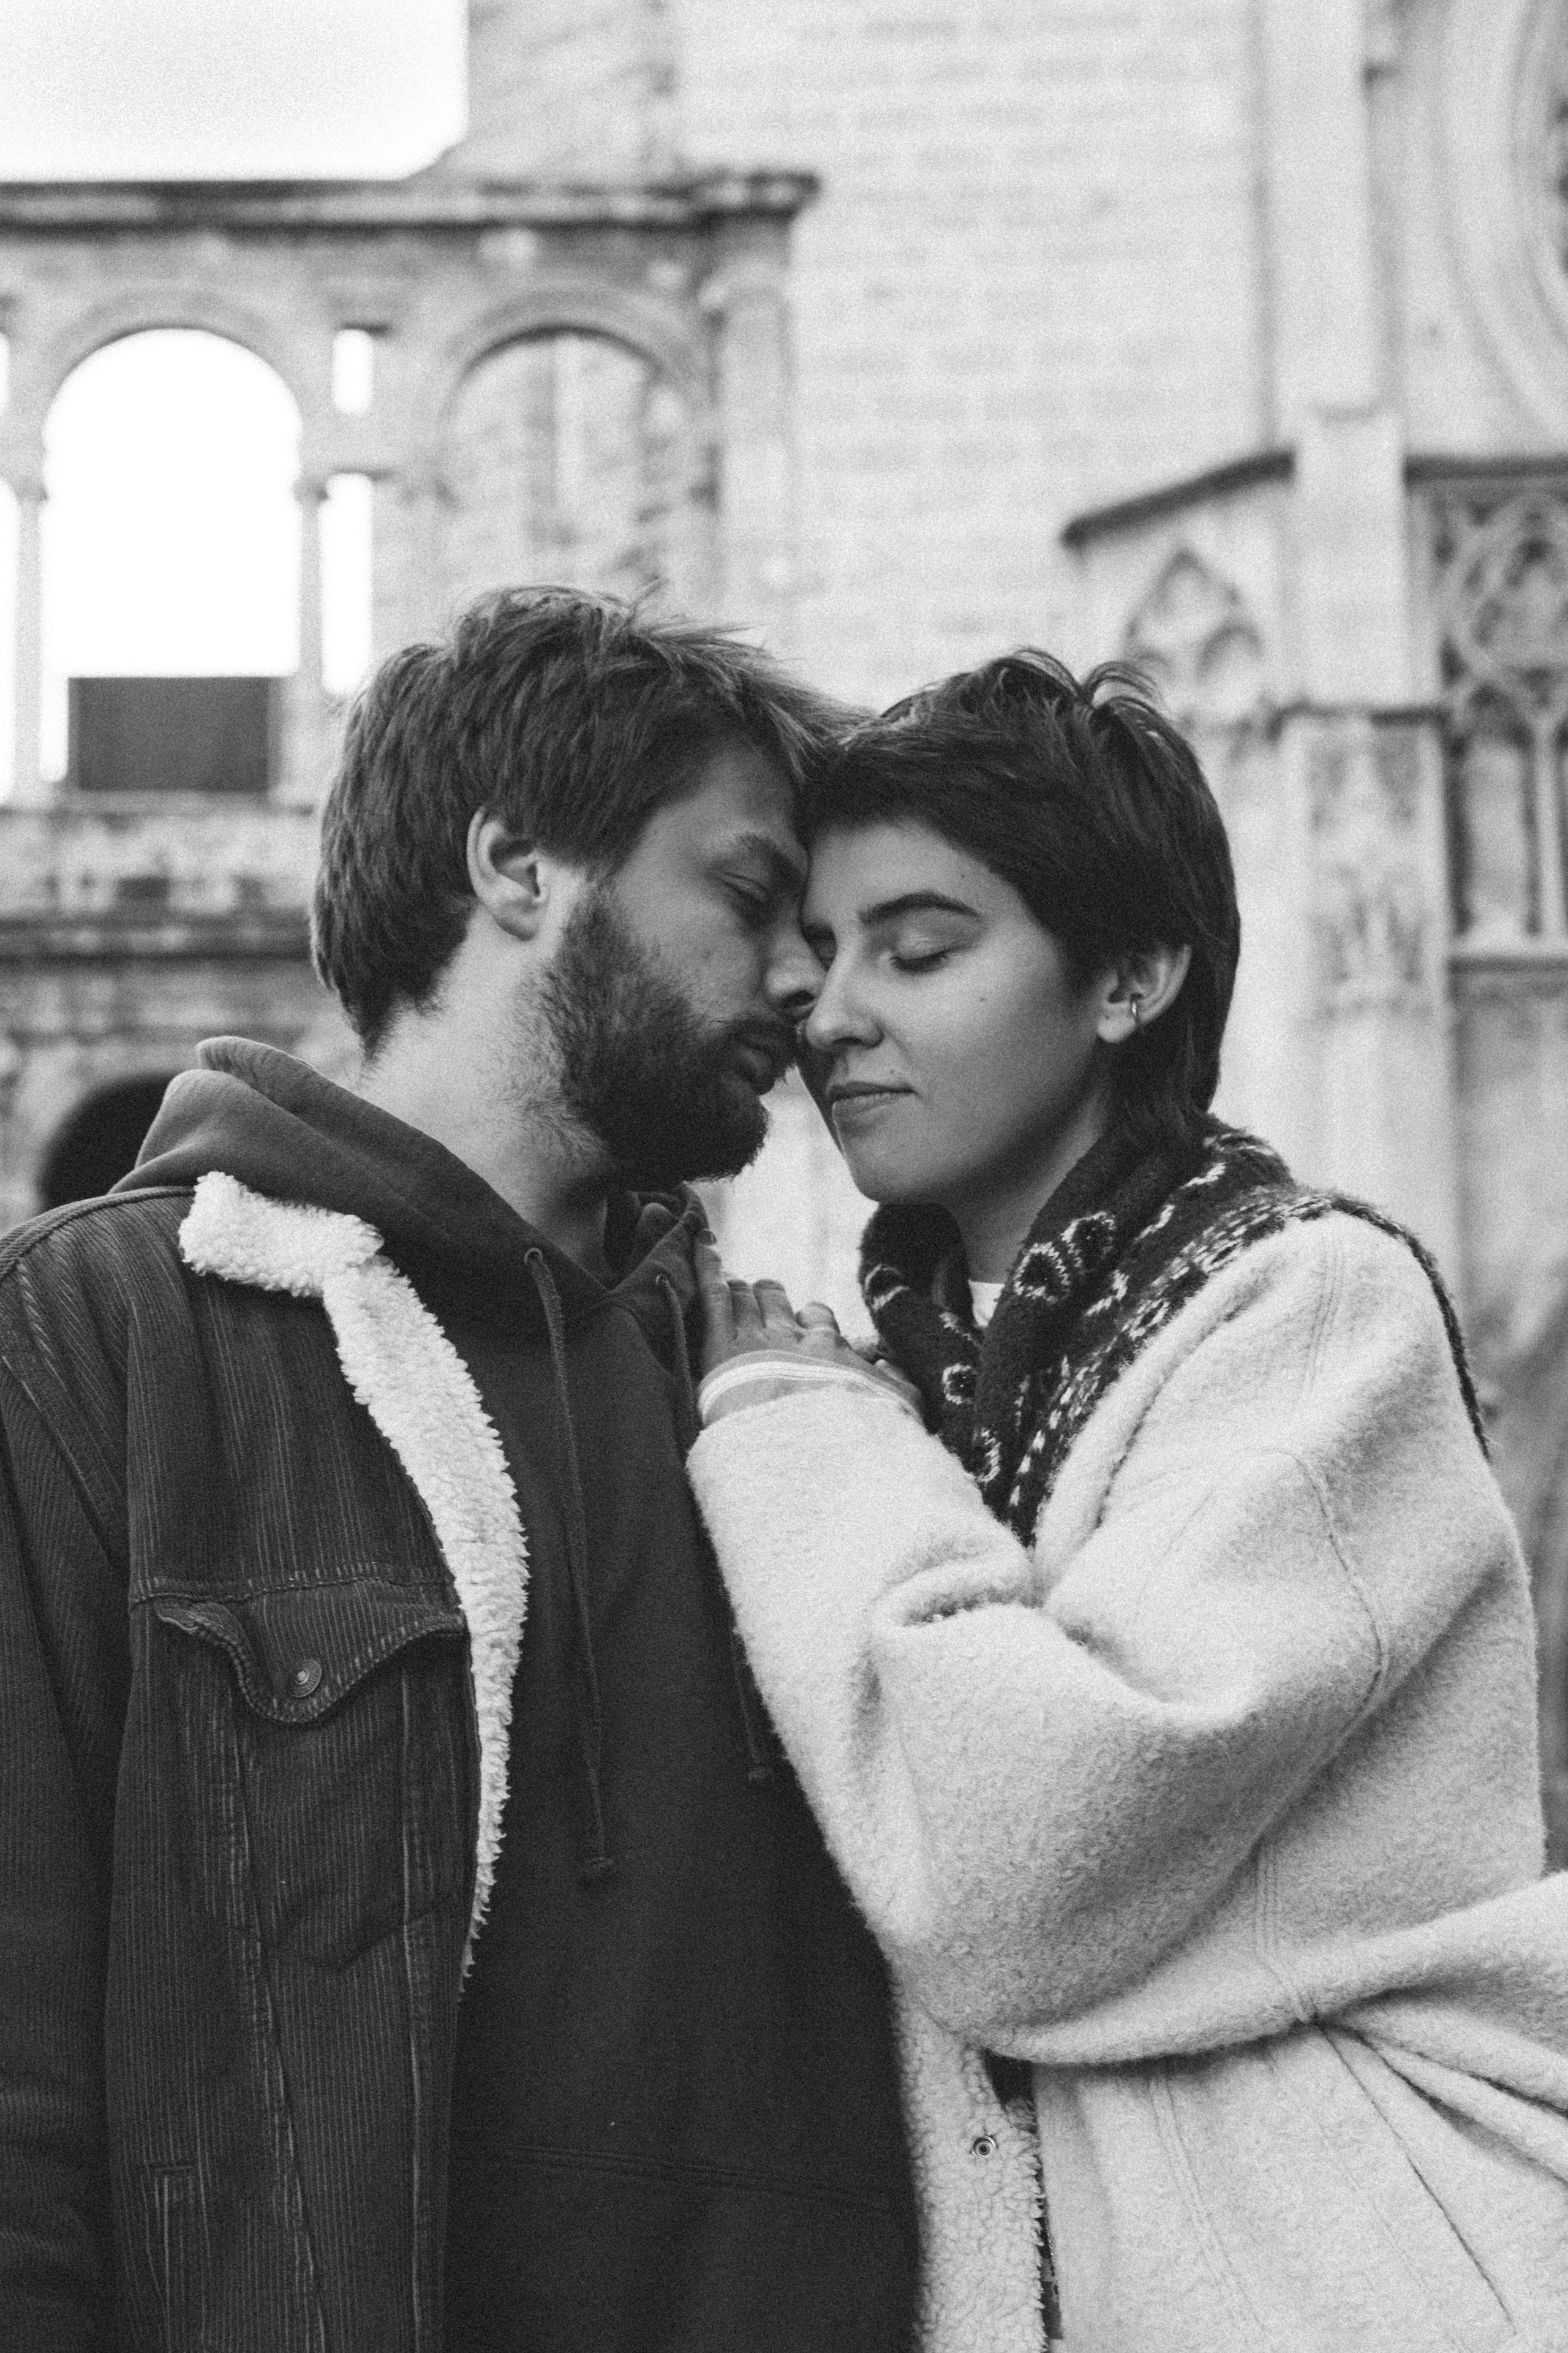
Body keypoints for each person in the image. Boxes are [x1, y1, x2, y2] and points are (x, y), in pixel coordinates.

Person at [0, 588, 919, 2352]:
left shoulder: (784, 1399)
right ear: (515, 864)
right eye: (746, 896)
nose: (810, 982)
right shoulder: (103, 1344)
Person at [687, 651, 1568, 2353]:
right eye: (825, 948)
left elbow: (1024, 1874)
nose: (831, 1011)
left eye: (920, 948)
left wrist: (797, 1432)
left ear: (1131, 975)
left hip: (1348, 2280)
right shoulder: (905, 1377)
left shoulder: (1309, 1311)